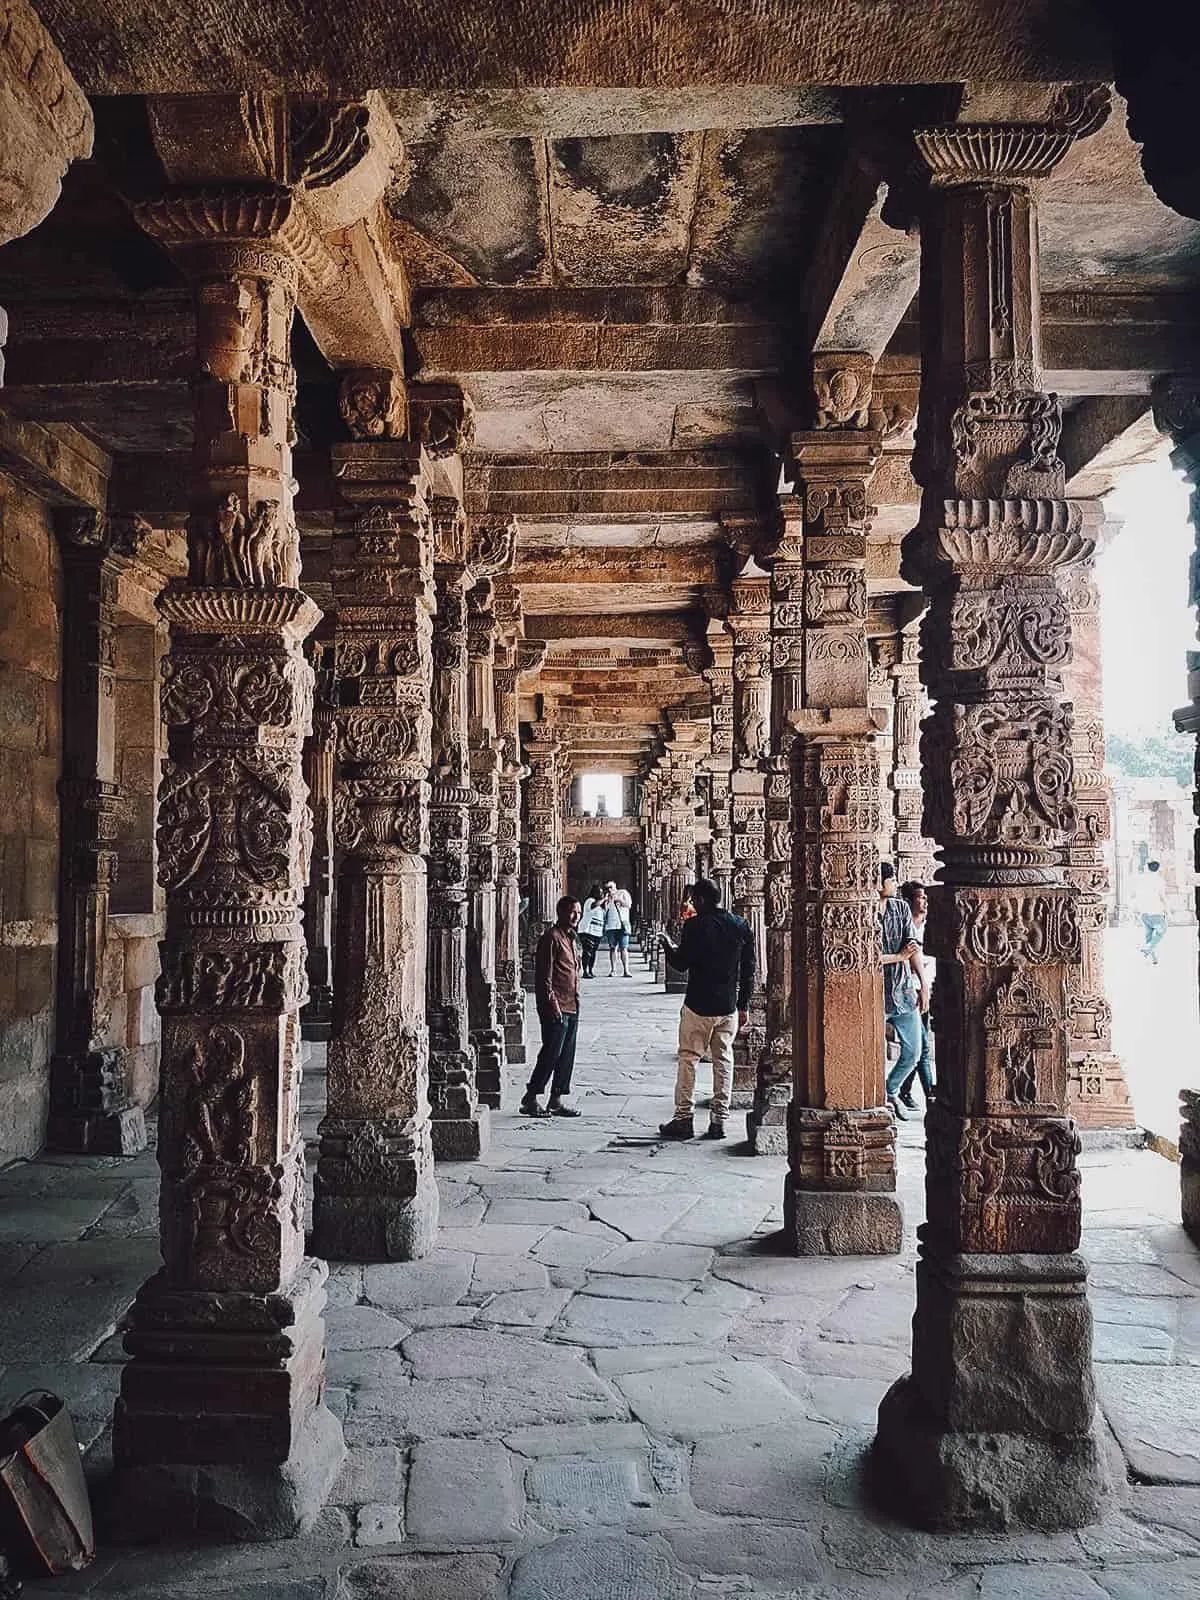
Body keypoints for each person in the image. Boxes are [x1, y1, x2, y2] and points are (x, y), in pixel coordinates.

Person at [657, 877, 755, 1141]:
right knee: (723, 1061)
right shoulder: (740, 925)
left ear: (700, 900)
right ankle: (718, 1122)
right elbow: (749, 970)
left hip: (698, 1004)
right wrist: (744, 1003)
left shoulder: (694, 926)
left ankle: (684, 1120)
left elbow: (681, 964)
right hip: (728, 1005)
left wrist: (667, 945)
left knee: (689, 1059)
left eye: (693, 900)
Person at [520, 895, 583, 1118]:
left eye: (578, 911)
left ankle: (556, 1099)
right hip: (555, 1006)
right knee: (551, 1053)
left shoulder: (571, 939)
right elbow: (543, 978)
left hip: (572, 1003)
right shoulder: (551, 938)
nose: (576, 916)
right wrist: (552, 1005)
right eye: (572, 911)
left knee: (566, 1054)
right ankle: (531, 1096)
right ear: (561, 913)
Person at [879, 862, 922, 1121]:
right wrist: (898, 956)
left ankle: (890, 1089)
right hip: (875, 992)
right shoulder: (866, 911)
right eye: (891, 879)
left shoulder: (900, 908)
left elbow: (912, 947)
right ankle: (877, 1096)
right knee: (873, 1051)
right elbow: (866, 956)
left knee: (914, 1051)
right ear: (878, 882)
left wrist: (923, 984)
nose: (895, 884)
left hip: (903, 990)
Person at [895, 881, 935, 1110]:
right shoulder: (901, 925)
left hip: (926, 988)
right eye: (921, 898)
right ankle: (929, 1094)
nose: (926, 902)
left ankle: (904, 1090)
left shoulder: (931, 926)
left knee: (918, 1048)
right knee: (921, 1047)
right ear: (910, 901)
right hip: (905, 991)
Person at [1136, 859, 1168, 965]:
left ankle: (1153, 958)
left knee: (1148, 936)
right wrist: (1168, 910)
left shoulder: (1141, 880)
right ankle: (1148, 949)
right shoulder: (1159, 880)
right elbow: (1162, 897)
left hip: (1144, 913)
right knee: (1161, 932)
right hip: (1156, 912)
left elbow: (1137, 896)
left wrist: (1137, 910)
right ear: (1158, 869)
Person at [602, 880, 632, 977]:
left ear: (615, 886)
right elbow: (604, 912)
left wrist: (618, 899)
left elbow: (628, 905)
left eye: (611, 887)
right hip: (611, 926)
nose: (610, 890)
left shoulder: (623, 893)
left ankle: (626, 970)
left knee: (624, 948)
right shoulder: (606, 898)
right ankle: (613, 969)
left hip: (622, 924)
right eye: (607, 888)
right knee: (612, 948)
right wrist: (607, 901)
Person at [578, 881, 605, 978]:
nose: (601, 894)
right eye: (600, 892)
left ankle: (590, 970)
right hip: (587, 930)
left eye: (602, 892)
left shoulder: (600, 905)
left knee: (593, 952)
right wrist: (604, 899)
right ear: (594, 893)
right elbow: (593, 906)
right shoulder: (590, 901)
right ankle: (585, 971)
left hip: (597, 932)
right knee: (587, 951)